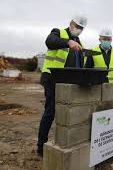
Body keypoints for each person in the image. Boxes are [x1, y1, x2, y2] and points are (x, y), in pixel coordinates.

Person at [37, 14, 87, 156]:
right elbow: (50, 41)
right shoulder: (58, 32)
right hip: (52, 79)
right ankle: (41, 147)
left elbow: (78, 64)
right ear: (71, 23)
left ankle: (64, 141)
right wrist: (68, 42)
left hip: (69, 82)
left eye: (81, 28)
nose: (79, 30)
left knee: (68, 112)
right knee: (51, 111)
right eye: (77, 26)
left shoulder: (79, 42)